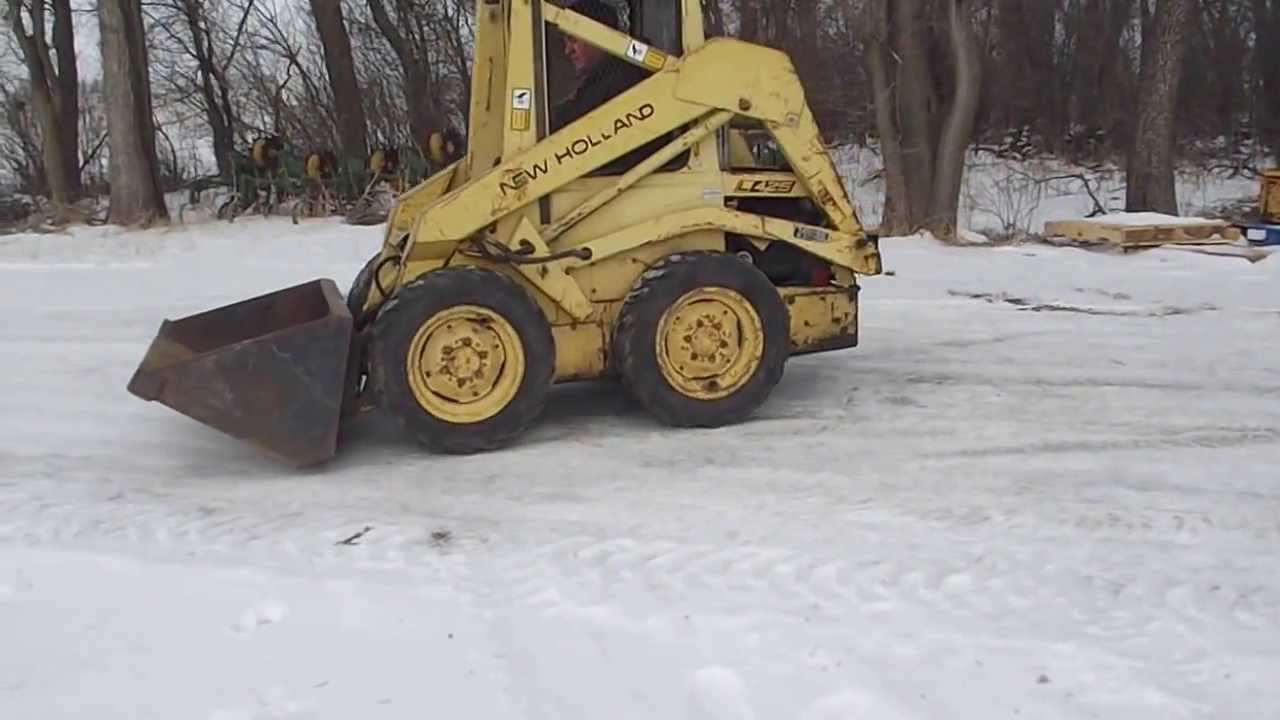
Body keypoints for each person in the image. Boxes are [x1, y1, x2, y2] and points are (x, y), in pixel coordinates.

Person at [550, 0, 669, 175]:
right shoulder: (603, 80)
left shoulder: (624, 82)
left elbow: (578, 127)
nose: (568, 50)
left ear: (598, 35)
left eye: (573, 40)